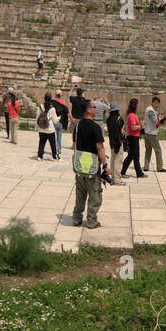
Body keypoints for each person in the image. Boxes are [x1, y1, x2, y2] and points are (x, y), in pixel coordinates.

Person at [70, 100, 109, 229]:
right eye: (94, 107)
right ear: (88, 109)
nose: (96, 109)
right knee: (95, 196)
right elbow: (100, 148)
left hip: (80, 166)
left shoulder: (77, 126)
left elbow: (75, 143)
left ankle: (76, 218)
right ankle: (92, 221)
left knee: (80, 194)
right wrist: (105, 165)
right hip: (93, 167)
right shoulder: (95, 127)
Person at [143, 96, 166, 173]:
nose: (158, 106)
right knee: (158, 150)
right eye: (157, 104)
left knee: (148, 150)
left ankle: (146, 167)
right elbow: (155, 121)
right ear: (154, 102)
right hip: (152, 134)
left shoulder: (149, 109)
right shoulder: (150, 110)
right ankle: (160, 167)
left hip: (146, 132)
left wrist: (159, 117)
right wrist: (161, 118)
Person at [120, 98, 145, 178]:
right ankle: (122, 172)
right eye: (137, 105)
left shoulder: (132, 115)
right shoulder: (131, 115)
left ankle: (139, 173)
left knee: (136, 156)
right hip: (133, 137)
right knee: (131, 156)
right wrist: (141, 125)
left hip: (135, 137)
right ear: (135, 106)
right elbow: (133, 127)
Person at [36, 95, 58, 160]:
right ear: (50, 99)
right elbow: (55, 120)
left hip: (41, 128)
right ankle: (54, 156)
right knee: (53, 144)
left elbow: (37, 117)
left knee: (42, 143)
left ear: (44, 98)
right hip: (50, 129)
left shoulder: (40, 107)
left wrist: (37, 127)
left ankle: (40, 156)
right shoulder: (52, 108)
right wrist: (60, 118)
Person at [106, 102, 125, 174]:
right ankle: (117, 179)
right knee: (118, 161)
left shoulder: (108, 120)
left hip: (112, 142)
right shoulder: (119, 119)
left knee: (113, 159)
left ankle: (113, 176)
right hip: (118, 141)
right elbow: (121, 131)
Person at [51, 90, 69, 158]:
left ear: (55, 95)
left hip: (54, 122)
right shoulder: (63, 104)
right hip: (61, 122)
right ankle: (59, 149)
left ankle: (57, 149)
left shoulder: (52, 103)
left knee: (54, 137)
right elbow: (67, 113)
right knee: (59, 136)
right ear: (61, 96)